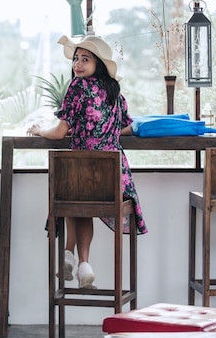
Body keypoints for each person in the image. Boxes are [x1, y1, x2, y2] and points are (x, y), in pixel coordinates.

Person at [27, 34, 148, 289]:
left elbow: (59, 133)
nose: (77, 65)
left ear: (98, 64)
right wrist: (96, 130)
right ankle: (82, 264)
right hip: (115, 177)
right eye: (75, 59)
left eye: (85, 59)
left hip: (82, 172)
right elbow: (126, 127)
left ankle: (70, 256)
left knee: (73, 195)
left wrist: (40, 131)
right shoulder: (114, 90)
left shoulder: (77, 87)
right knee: (81, 197)